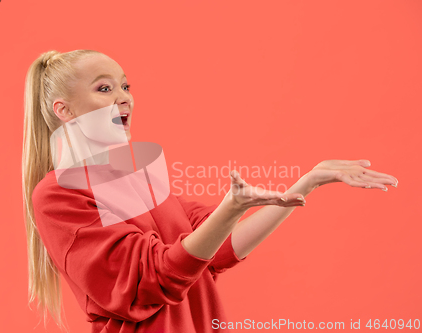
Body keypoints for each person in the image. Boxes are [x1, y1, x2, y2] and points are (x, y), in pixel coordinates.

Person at [21, 49, 398, 333]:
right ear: (64, 111)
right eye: (105, 88)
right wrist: (229, 209)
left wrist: (307, 183)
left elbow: (216, 249)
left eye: (125, 85)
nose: (124, 96)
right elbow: (152, 279)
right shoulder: (57, 194)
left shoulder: (137, 175)